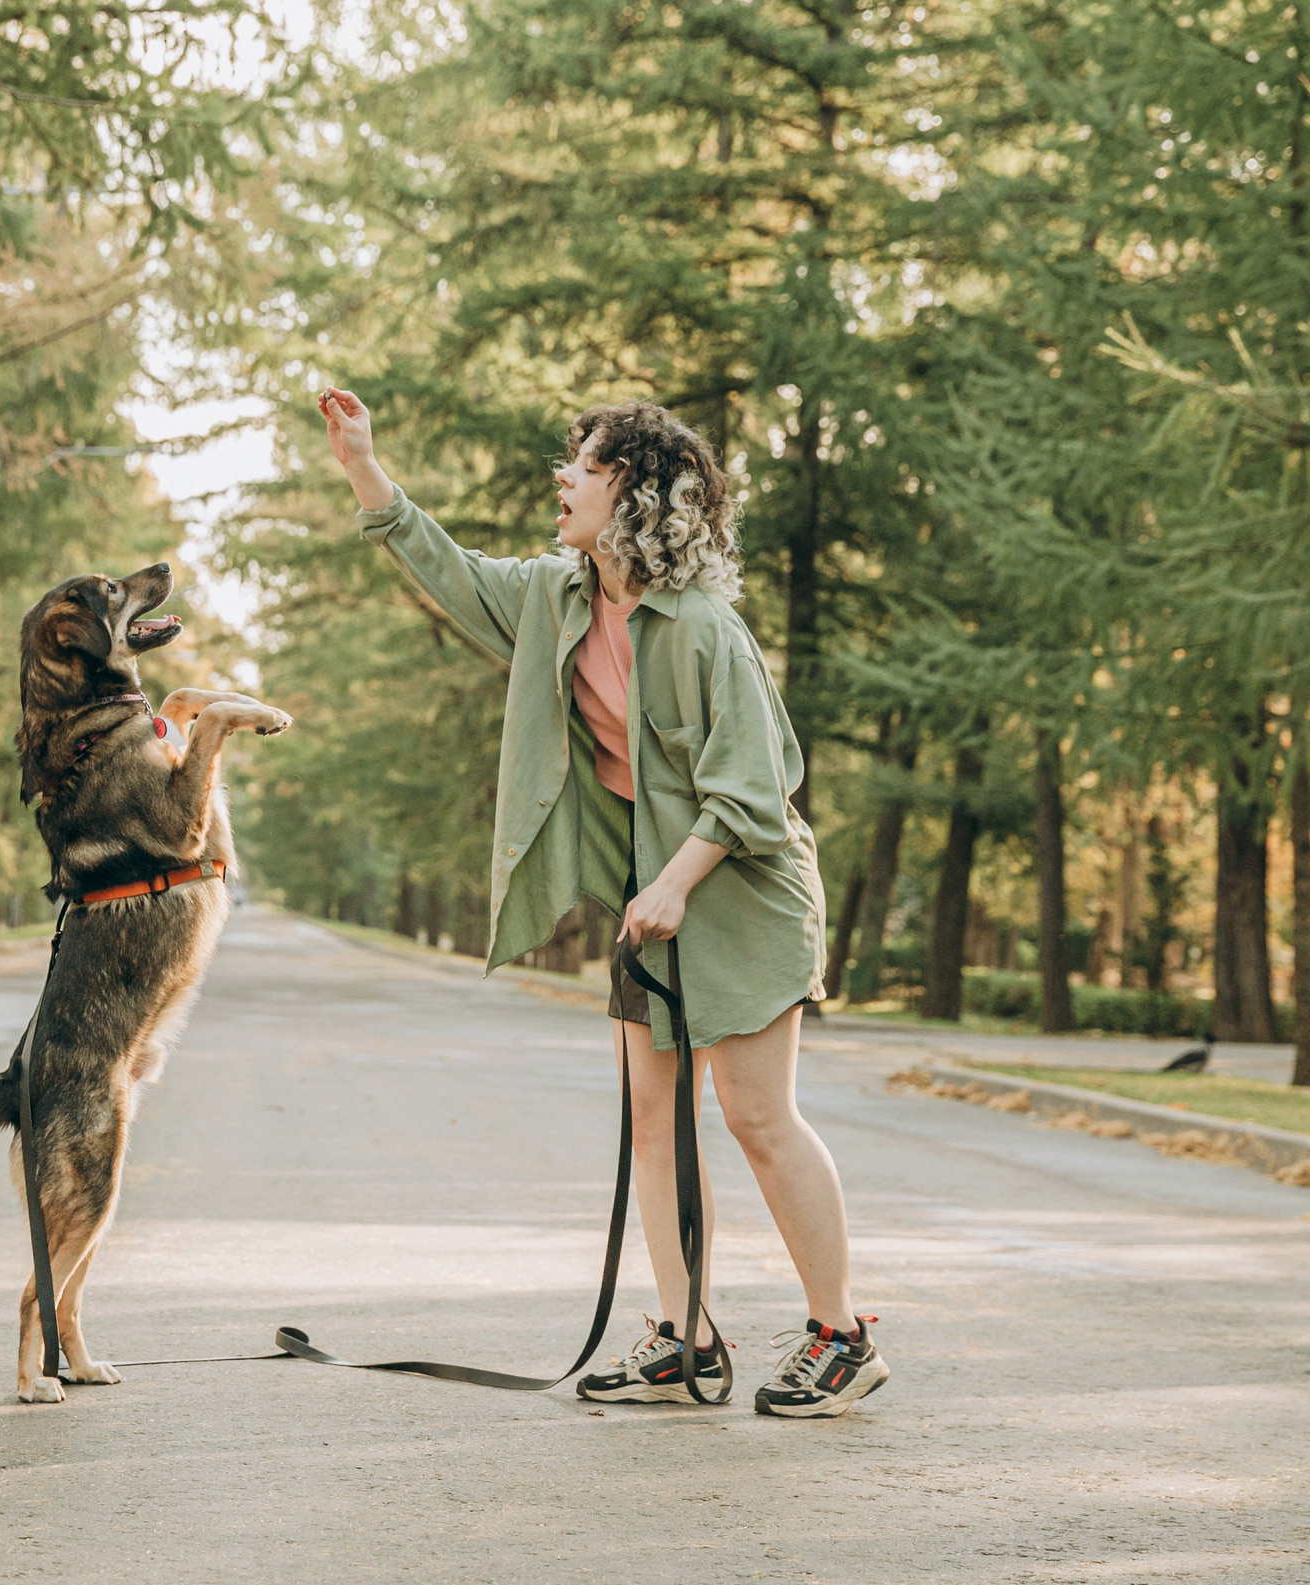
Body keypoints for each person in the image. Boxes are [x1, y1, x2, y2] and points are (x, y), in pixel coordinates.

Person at [317, 386, 887, 1418]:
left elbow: (757, 785)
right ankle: (683, 1336)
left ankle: (840, 1333)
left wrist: (673, 879)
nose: (562, 480)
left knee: (756, 1116)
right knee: (655, 1118)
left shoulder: (706, 627)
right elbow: (448, 571)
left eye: (580, 465)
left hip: (740, 888)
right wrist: (364, 466)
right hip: (650, 898)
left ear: (631, 489)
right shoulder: (555, 598)